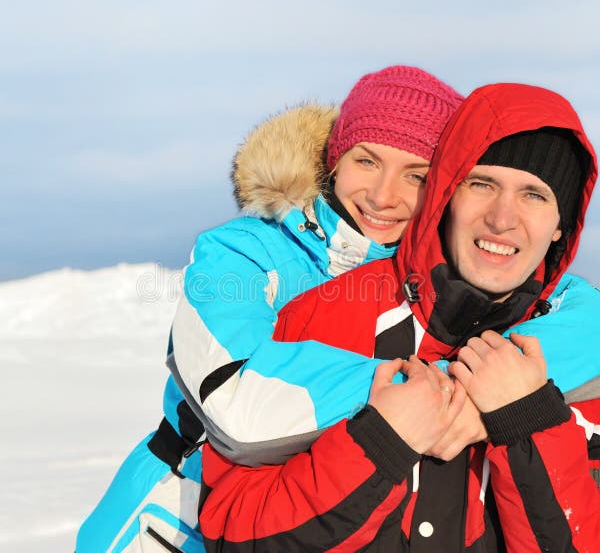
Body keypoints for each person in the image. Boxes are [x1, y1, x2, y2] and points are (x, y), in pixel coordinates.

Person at [198, 83, 600, 551]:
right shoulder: (319, 320)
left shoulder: (577, 377)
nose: (501, 218)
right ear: (447, 194)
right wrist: (377, 444)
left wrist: (528, 424)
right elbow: (231, 533)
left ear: (561, 225)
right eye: (482, 184)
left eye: (534, 195)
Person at [76, 65, 465, 552]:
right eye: (367, 161)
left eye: (416, 175)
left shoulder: (437, 280)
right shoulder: (241, 256)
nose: (383, 196)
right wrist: (427, 391)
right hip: (178, 521)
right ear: (335, 159)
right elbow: (236, 402)